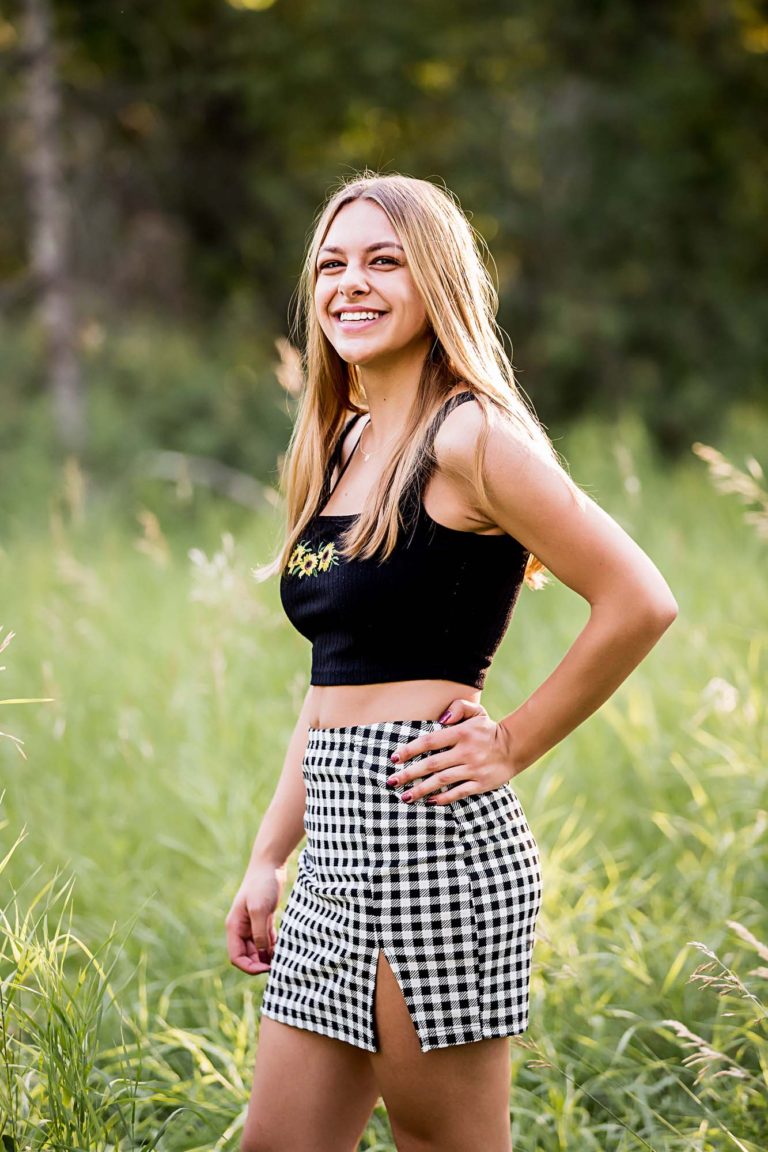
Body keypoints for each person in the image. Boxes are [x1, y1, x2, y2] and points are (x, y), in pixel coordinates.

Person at [226, 172, 678, 1152]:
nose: (351, 283)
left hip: (433, 844)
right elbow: (332, 686)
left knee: (445, 1145)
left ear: (437, 283)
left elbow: (640, 600)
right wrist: (271, 855)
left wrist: (508, 745)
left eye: (384, 261)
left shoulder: (472, 436)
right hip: (332, 862)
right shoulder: (339, 445)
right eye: (333, 264)